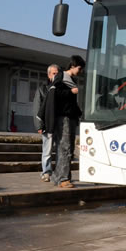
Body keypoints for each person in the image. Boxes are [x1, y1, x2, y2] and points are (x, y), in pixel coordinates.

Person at [39, 55, 85, 188]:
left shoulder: (70, 79)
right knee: (65, 148)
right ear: (73, 65)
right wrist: (70, 91)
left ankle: (60, 177)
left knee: (65, 148)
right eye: (79, 68)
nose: (80, 71)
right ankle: (63, 179)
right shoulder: (61, 77)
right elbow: (55, 93)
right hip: (63, 118)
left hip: (70, 117)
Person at [33, 64, 60, 182]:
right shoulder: (42, 89)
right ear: (49, 75)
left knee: (60, 151)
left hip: (59, 125)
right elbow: (37, 108)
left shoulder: (62, 88)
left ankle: (59, 173)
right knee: (47, 151)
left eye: (57, 73)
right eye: (54, 73)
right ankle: (46, 172)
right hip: (47, 125)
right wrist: (39, 125)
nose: (56, 75)